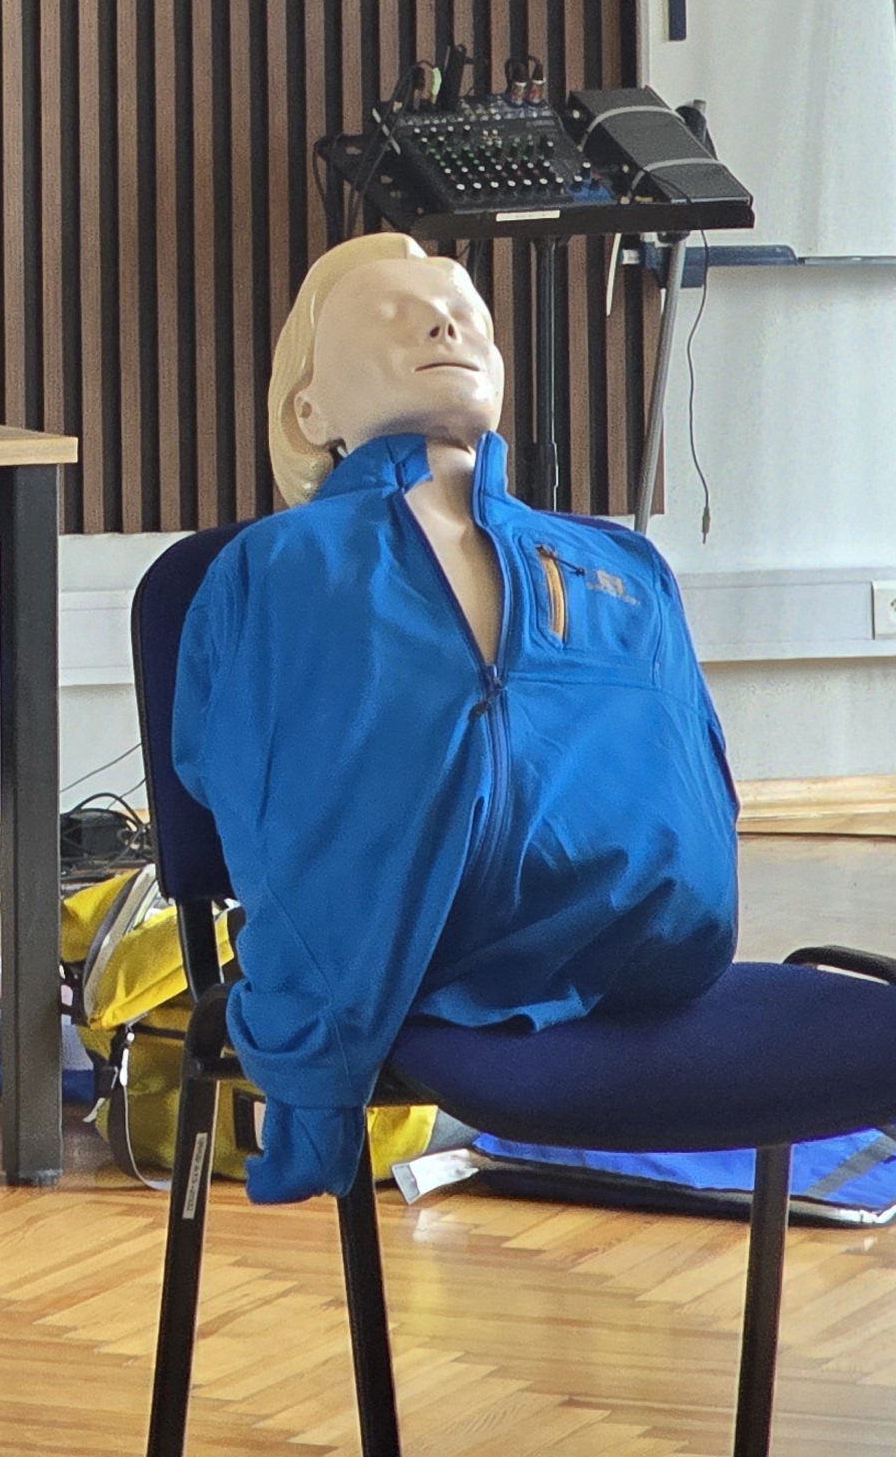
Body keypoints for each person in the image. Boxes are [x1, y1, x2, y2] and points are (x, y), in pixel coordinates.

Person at [172, 233, 738, 1202]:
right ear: (310, 411)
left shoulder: (621, 567)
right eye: (390, 316)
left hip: (652, 969)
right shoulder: (279, 568)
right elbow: (268, 810)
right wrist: (314, 1064)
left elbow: (694, 778)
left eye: (466, 313)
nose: (444, 325)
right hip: (405, 974)